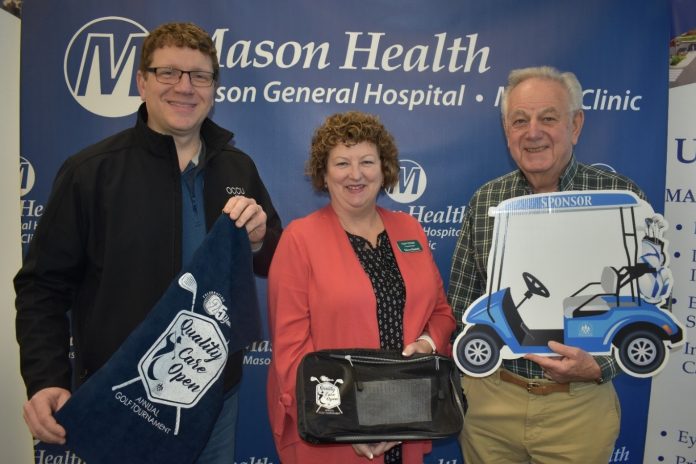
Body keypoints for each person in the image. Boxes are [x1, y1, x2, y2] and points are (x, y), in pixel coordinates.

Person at [14, 22, 282, 463]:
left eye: (199, 75)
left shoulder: (238, 168)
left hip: (214, 398)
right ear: (142, 81)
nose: (185, 87)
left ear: (214, 88)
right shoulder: (90, 171)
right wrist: (46, 378)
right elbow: (42, 287)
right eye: (168, 73)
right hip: (123, 398)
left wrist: (258, 241)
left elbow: (274, 255)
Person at [448, 65, 646, 463]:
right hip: (491, 403)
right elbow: (461, 303)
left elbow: (649, 300)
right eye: (519, 120)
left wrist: (597, 367)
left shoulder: (621, 196)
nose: (532, 131)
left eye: (548, 118)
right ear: (507, 132)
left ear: (575, 125)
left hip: (578, 408)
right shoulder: (488, 200)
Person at [266, 111, 455, 463]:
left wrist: (429, 342)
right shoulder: (299, 240)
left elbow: (441, 313)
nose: (356, 174)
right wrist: (345, 425)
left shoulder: (409, 230)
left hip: (405, 417)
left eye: (367, 161)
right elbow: (290, 352)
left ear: (384, 169)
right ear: (324, 173)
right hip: (332, 428)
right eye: (342, 163)